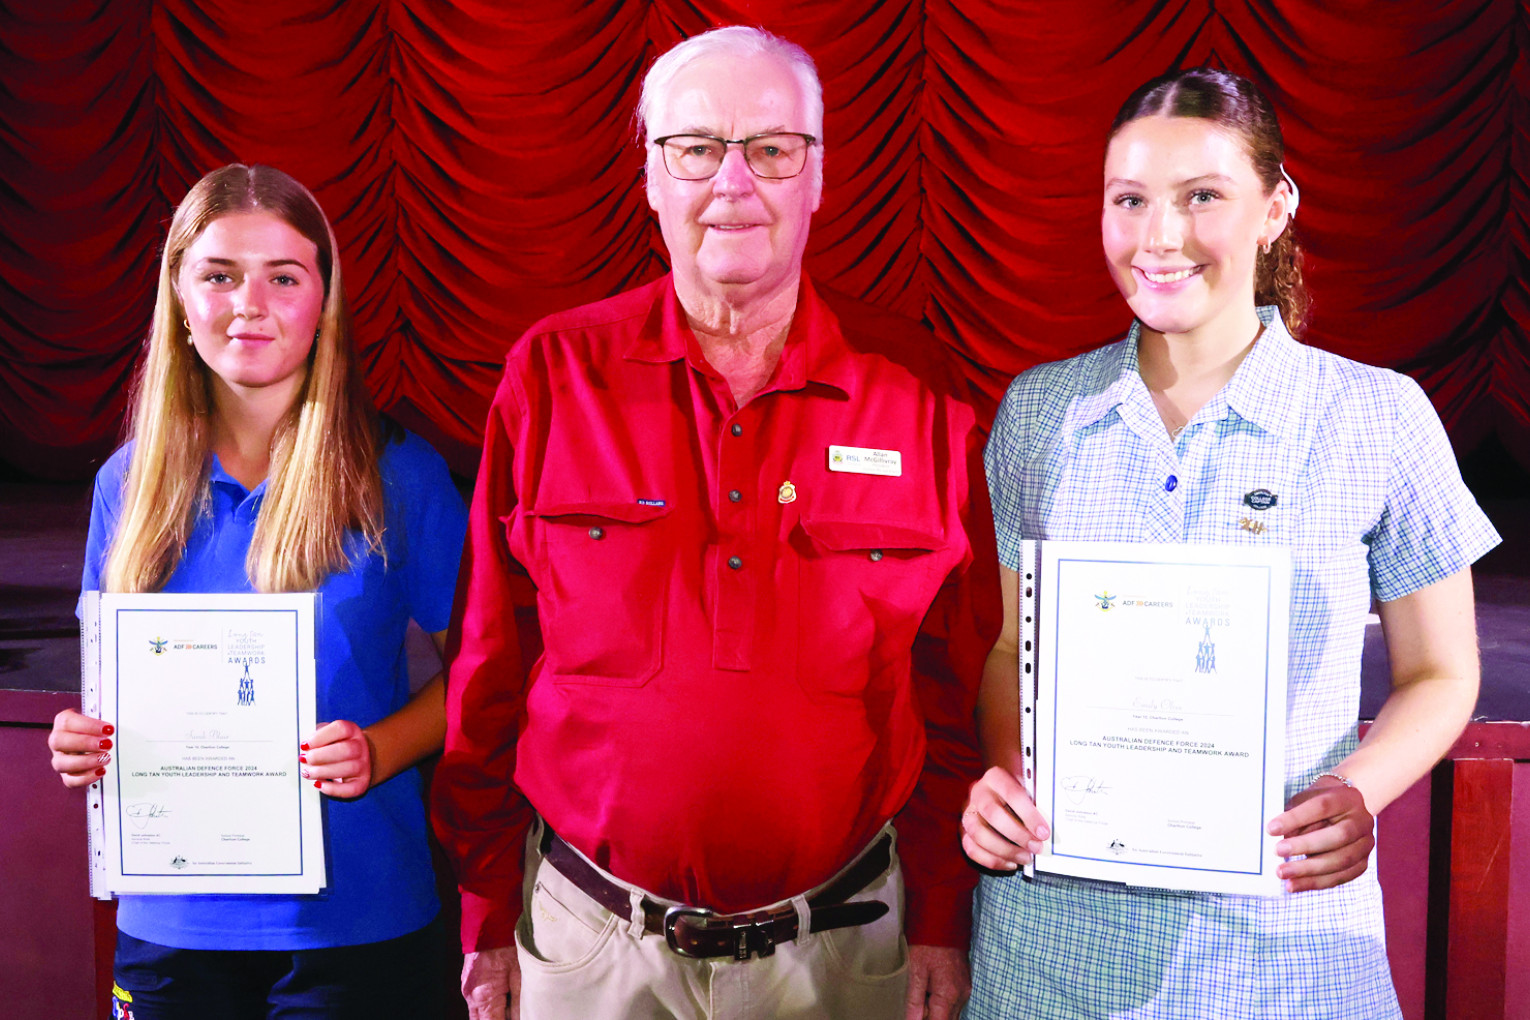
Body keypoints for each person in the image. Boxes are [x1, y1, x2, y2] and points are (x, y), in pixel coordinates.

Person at [431, 25, 1000, 1020]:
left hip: (842, 953)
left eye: (772, 149)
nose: (733, 183)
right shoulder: (555, 375)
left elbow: (954, 675)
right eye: (696, 148)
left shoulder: (919, 387)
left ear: (818, 178)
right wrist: (485, 908)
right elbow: (490, 660)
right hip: (591, 951)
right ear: (650, 176)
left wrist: (942, 914)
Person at [961, 67, 1502, 1018]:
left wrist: (1355, 794)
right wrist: (1010, 781)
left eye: (1201, 196)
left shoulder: (1375, 415)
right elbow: (1014, 647)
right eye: (1129, 200)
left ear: (1274, 206)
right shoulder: (1041, 413)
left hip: (1286, 942)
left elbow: (1444, 671)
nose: (1158, 237)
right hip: (1057, 947)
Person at [45, 164, 467, 1019]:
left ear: (324, 299)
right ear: (180, 295)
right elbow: (110, 694)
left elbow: (484, 680)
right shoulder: (125, 487)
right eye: (220, 275)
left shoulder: (401, 474)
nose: (251, 303)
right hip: (170, 925)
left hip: (357, 921)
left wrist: (380, 748)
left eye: (284, 276)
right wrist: (79, 742)